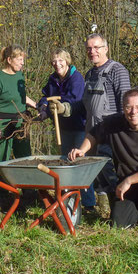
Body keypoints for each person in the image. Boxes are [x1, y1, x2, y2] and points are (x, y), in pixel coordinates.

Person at [68, 89, 138, 238]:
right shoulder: (115, 122)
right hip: (129, 182)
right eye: (128, 107)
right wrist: (82, 150)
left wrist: (128, 181)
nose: (133, 112)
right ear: (123, 108)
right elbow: (94, 133)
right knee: (119, 224)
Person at [50, 33, 131, 214]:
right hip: (93, 133)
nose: (92, 52)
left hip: (113, 134)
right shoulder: (90, 73)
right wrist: (65, 108)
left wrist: (123, 133)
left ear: (106, 49)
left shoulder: (117, 71)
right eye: (89, 48)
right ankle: (105, 212)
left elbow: (127, 104)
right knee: (98, 175)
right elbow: (84, 104)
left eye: (96, 48)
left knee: (112, 175)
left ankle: (124, 214)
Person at [36, 49, 96, 209]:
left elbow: (75, 100)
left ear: (67, 61)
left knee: (79, 163)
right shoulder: (53, 79)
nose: (57, 64)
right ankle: (67, 197)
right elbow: (45, 95)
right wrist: (43, 107)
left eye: (60, 60)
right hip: (61, 128)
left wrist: (57, 107)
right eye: (54, 61)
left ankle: (89, 203)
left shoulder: (76, 78)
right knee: (64, 162)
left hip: (78, 127)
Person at [0, 45, 36, 168]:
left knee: (25, 158)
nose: (23, 63)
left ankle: (28, 187)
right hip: (3, 123)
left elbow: (20, 96)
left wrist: (37, 106)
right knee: (2, 160)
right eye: (19, 60)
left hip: (21, 122)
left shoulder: (19, 75)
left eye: (23, 59)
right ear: (9, 60)